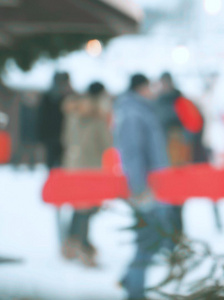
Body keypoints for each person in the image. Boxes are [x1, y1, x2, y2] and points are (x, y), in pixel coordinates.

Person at [114, 74, 181, 300]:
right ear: (139, 89)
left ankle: (130, 279)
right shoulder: (133, 113)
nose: (153, 90)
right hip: (145, 189)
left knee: (154, 237)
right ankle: (134, 291)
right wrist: (139, 187)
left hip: (154, 187)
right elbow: (132, 153)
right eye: (148, 87)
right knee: (149, 239)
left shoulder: (142, 110)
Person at [60, 82, 113, 267]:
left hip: (73, 167)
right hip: (91, 169)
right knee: (87, 210)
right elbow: (107, 144)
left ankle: (71, 245)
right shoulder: (98, 116)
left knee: (79, 208)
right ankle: (84, 248)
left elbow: (65, 139)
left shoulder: (73, 112)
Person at [37, 72, 73, 169]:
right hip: (53, 137)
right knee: (53, 166)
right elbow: (42, 118)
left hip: (65, 136)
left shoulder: (69, 98)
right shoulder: (48, 98)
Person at [12, 94, 40, 169]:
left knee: (31, 150)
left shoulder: (35, 109)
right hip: (24, 132)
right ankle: (16, 164)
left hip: (31, 133)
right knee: (22, 149)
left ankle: (32, 165)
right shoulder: (23, 108)